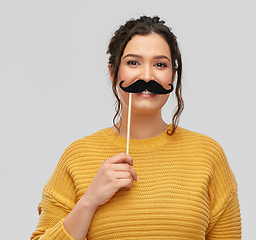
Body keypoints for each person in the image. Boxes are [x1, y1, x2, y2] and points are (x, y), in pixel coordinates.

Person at [31, 15, 241, 240]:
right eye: (133, 63)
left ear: (173, 76)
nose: (147, 76)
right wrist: (90, 200)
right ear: (113, 73)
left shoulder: (208, 155)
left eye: (160, 64)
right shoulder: (77, 156)